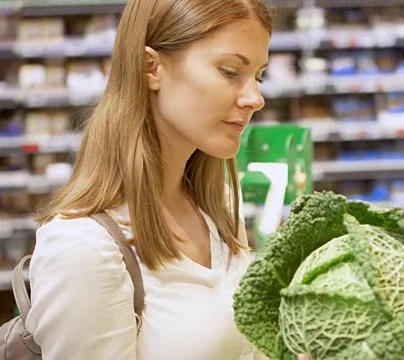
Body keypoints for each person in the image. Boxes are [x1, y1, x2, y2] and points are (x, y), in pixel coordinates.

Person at [26, 0, 309, 359]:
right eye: (229, 71)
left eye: (259, 75)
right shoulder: (84, 248)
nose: (256, 98)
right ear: (151, 67)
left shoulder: (220, 209)